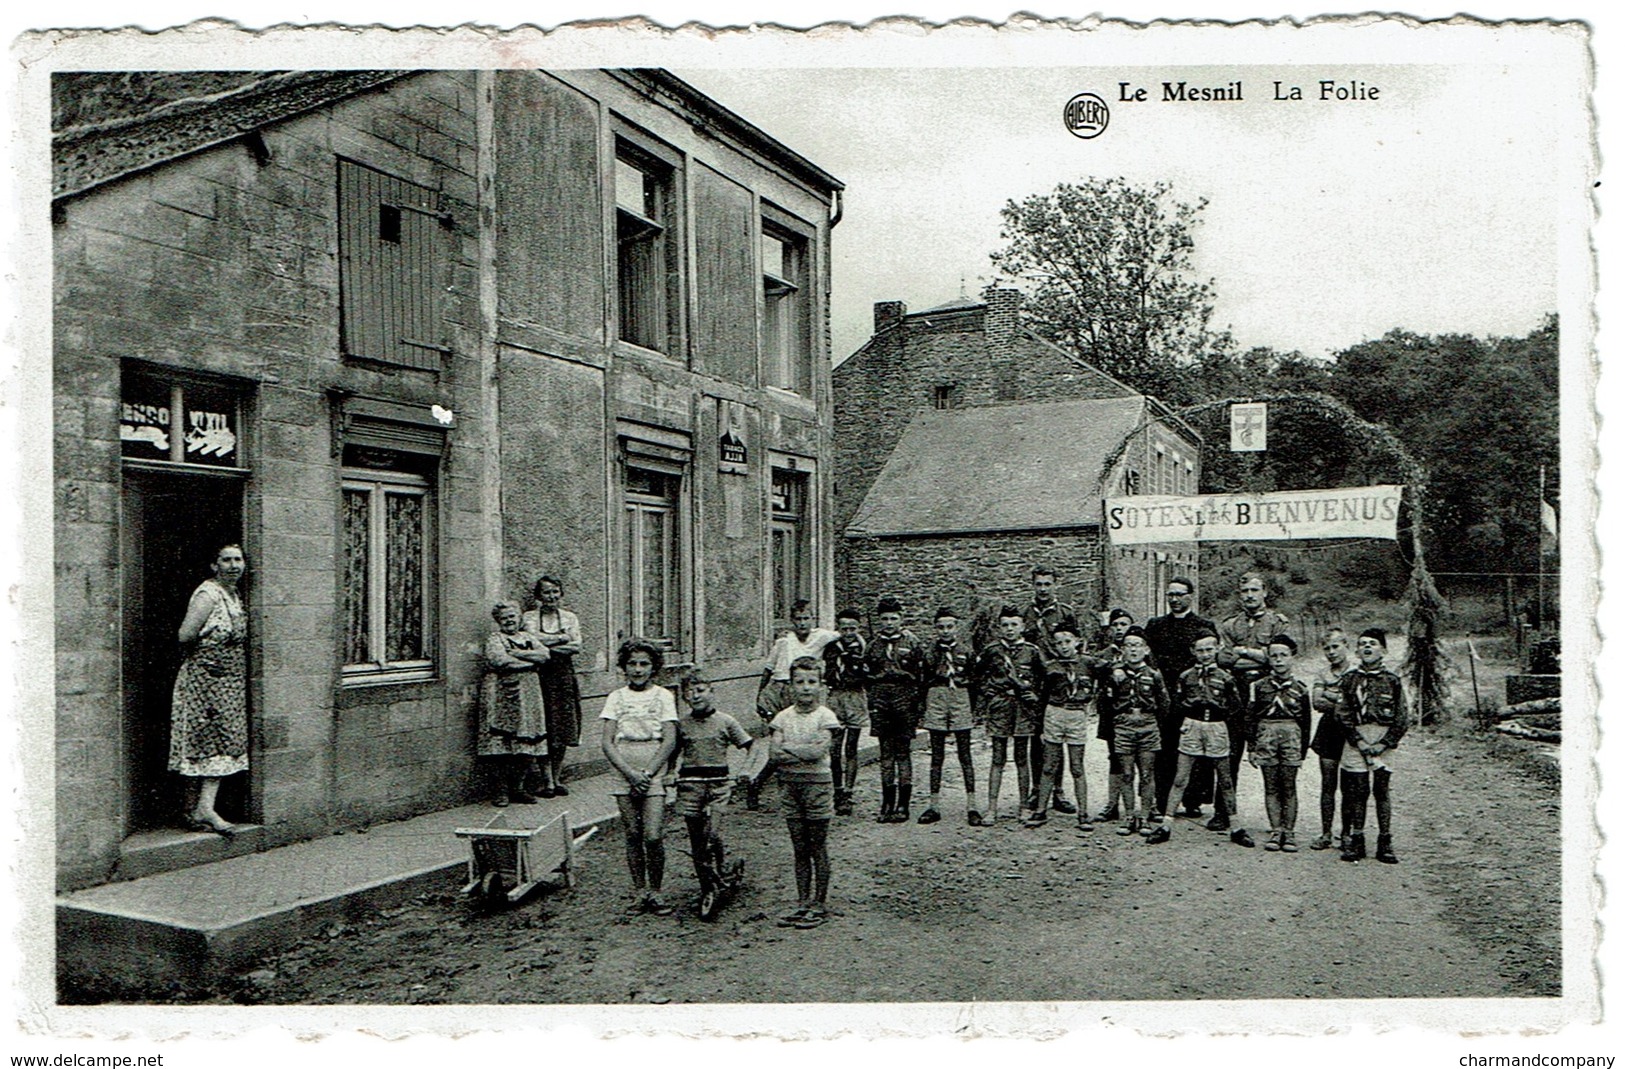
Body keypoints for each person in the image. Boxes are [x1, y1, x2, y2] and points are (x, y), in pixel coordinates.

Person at [170, 544, 250, 835]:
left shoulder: (233, 594)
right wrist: (207, 661)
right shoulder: (208, 594)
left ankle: (197, 810)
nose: (233, 565)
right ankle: (203, 809)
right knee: (206, 741)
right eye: (226, 560)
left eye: (238, 560)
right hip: (205, 680)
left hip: (228, 683)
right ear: (214, 565)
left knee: (222, 742)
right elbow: (185, 635)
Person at [1146, 631, 1253, 847]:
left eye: (1209, 650)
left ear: (1217, 649)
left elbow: (1236, 706)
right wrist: (1190, 705)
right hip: (1193, 726)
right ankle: (1166, 825)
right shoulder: (1186, 676)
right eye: (1200, 650)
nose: (1204, 655)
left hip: (1216, 727)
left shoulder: (1225, 677)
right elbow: (1176, 704)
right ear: (1193, 651)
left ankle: (1236, 827)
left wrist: (1219, 710)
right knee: (1180, 778)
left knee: (1225, 779)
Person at [600, 638, 680, 915]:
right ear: (624, 667)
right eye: (632, 664)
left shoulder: (663, 696)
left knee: (653, 835)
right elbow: (608, 742)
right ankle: (639, 892)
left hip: (653, 769)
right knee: (632, 833)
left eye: (644, 664)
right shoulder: (616, 697)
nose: (637, 669)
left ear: (654, 667)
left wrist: (647, 773)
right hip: (624, 769)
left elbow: (670, 740)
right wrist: (630, 774)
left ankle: (657, 892)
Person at [674, 668, 755, 914]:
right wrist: (669, 773)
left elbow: (752, 747)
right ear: (684, 698)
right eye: (690, 692)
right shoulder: (681, 725)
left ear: (712, 691)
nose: (696, 696)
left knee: (712, 835)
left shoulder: (726, 721)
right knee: (696, 840)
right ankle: (706, 886)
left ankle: (721, 868)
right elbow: (671, 753)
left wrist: (746, 770)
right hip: (690, 786)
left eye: (700, 690)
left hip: (719, 785)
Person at [770, 657, 843, 929]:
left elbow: (818, 752)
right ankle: (802, 902)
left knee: (817, 845)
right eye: (799, 682)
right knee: (799, 847)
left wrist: (791, 749)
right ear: (790, 685)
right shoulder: (782, 718)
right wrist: (802, 751)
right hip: (790, 786)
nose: (805, 688)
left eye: (811, 682)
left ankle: (819, 903)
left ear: (820, 685)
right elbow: (774, 755)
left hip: (818, 786)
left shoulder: (826, 717)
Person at [751, 600, 840, 810]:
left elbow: (844, 634)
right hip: (780, 689)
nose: (802, 623)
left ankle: (805, 788)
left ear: (813, 620)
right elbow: (768, 669)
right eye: (798, 619)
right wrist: (760, 695)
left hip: (805, 688)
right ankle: (758, 785)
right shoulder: (784, 641)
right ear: (792, 621)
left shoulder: (822, 636)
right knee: (780, 742)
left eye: (806, 618)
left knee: (807, 739)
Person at [1144, 577, 1218, 818]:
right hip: (1163, 696)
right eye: (1171, 595)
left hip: (1192, 697)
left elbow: (1210, 661)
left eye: (1179, 595)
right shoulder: (1155, 625)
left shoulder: (1202, 625)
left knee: (1195, 748)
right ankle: (1164, 799)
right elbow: (1148, 659)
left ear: (1190, 596)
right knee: (1164, 749)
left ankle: (1193, 799)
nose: (1174, 600)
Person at [1216, 573, 1291, 807]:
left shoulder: (1278, 622)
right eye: (1245, 591)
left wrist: (1245, 652)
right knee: (1230, 752)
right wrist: (1261, 655)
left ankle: (1278, 818)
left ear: (1265, 592)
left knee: (1273, 753)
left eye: (1254, 590)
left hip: (1268, 692)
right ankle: (1224, 811)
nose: (1249, 595)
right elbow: (1225, 660)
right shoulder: (1230, 624)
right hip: (1237, 691)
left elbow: (1278, 659)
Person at [1338, 628, 1408, 864]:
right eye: (1362, 644)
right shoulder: (1349, 680)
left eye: (1373, 644)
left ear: (1384, 650)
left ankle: (1385, 841)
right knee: (1358, 790)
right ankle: (1357, 839)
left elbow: (1401, 717)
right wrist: (1356, 739)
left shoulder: (1392, 681)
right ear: (1356, 650)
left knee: (1381, 790)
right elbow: (1343, 713)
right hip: (1356, 737)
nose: (1367, 647)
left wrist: (1385, 743)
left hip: (1382, 738)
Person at [974, 605, 1045, 825]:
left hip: (1023, 708)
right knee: (998, 758)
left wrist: (1035, 697)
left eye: (1014, 624)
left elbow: (1045, 677)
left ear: (1022, 626)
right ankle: (992, 808)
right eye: (1005, 625)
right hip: (1000, 707)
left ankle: (1024, 806)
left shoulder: (1032, 651)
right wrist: (989, 695)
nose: (1010, 629)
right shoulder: (992, 650)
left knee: (1022, 759)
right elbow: (978, 676)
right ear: (999, 627)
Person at [479, 600, 554, 807]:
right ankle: (501, 791)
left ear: (519, 618)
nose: (508, 620)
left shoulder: (528, 637)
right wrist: (532, 662)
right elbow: (501, 661)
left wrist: (519, 654)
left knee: (527, 742)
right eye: (503, 618)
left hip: (528, 695)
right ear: (498, 621)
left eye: (512, 616)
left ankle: (518, 788)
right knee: (501, 743)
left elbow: (545, 655)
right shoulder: (495, 639)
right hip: (501, 695)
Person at [1244, 634, 1314, 853]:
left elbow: (1306, 721)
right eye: (1274, 656)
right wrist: (1252, 747)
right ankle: (1276, 830)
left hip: (1291, 734)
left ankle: (1289, 831)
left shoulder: (1301, 689)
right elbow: (1250, 718)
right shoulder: (1258, 686)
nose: (1279, 660)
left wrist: (1302, 751)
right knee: (1271, 785)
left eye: (1284, 655)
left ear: (1292, 657)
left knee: (1289, 786)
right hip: (1266, 734)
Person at [862, 596, 928, 823]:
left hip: (904, 702)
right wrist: (874, 702)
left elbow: (921, 676)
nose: (889, 623)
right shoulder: (872, 646)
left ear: (901, 618)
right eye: (884, 619)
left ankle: (903, 804)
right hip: (881, 703)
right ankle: (887, 802)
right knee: (886, 755)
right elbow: (867, 678)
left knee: (903, 753)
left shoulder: (912, 643)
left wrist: (917, 707)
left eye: (893, 618)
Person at [1022, 566, 1081, 816]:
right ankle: (1038, 789)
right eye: (1039, 584)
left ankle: (1058, 791)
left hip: (1058, 681)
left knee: (1059, 738)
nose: (1043, 589)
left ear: (1055, 585)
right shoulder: (1024, 613)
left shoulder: (1065, 612)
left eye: (1047, 584)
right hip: (1034, 682)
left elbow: (1077, 642)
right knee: (1037, 737)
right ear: (1033, 585)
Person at [1026, 626, 1094, 830]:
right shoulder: (1050, 667)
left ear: (1077, 641)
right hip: (1054, 713)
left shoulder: (1089, 663)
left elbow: (1110, 672)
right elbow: (1041, 695)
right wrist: (1039, 725)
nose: (1063, 647)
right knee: (1049, 766)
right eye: (1058, 643)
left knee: (1077, 766)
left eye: (1067, 641)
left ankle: (1083, 813)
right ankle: (1040, 811)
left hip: (1077, 715)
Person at [522, 575, 584, 798]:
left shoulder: (569, 617)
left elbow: (576, 646)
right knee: (544, 725)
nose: (552, 596)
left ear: (561, 593)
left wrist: (546, 645)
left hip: (563, 676)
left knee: (563, 725)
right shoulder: (528, 617)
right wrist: (562, 639)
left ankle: (556, 778)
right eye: (547, 592)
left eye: (556, 591)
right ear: (539, 596)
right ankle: (545, 780)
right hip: (540, 675)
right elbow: (531, 642)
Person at [1102, 626, 1166, 837]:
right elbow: (1106, 701)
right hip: (1124, 725)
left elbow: (1164, 703)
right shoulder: (1115, 675)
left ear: (1146, 650)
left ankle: (1145, 816)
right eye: (1129, 646)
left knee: (1147, 774)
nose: (1133, 650)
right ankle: (1130, 816)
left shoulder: (1154, 675)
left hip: (1147, 725)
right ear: (1122, 650)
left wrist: (1154, 722)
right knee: (1126, 773)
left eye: (1138, 646)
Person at [918, 606, 977, 826]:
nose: (945, 631)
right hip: (937, 696)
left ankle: (972, 806)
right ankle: (934, 806)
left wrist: (973, 705)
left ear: (956, 627)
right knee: (937, 756)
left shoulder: (966, 651)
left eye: (950, 626)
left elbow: (975, 679)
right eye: (941, 627)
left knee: (965, 755)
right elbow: (923, 680)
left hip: (960, 697)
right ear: (935, 628)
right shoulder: (930, 653)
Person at [1307, 628, 1354, 850]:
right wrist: (1341, 700)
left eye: (1336, 646)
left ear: (1347, 645)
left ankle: (1347, 833)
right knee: (1328, 784)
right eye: (1327, 648)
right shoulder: (1322, 674)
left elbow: (1357, 705)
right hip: (1328, 731)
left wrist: (1331, 695)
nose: (1331, 652)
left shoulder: (1357, 671)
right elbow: (1316, 703)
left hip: (1350, 732)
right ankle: (1326, 833)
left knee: (1349, 786)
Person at [1088, 608, 1135, 824]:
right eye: (1115, 625)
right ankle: (1112, 804)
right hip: (1111, 715)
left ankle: (1143, 807)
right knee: (1115, 759)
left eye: (1123, 625)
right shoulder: (1102, 656)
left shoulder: (1140, 651)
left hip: (1135, 716)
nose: (1119, 629)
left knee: (1143, 760)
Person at [823, 607, 870, 816]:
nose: (848, 632)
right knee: (834, 749)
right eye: (844, 628)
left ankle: (848, 793)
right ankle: (837, 790)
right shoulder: (831, 647)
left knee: (851, 747)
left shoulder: (864, 647)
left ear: (858, 628)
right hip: (836, 697)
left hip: (855, 696)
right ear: (838, 628)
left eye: (852, 628)